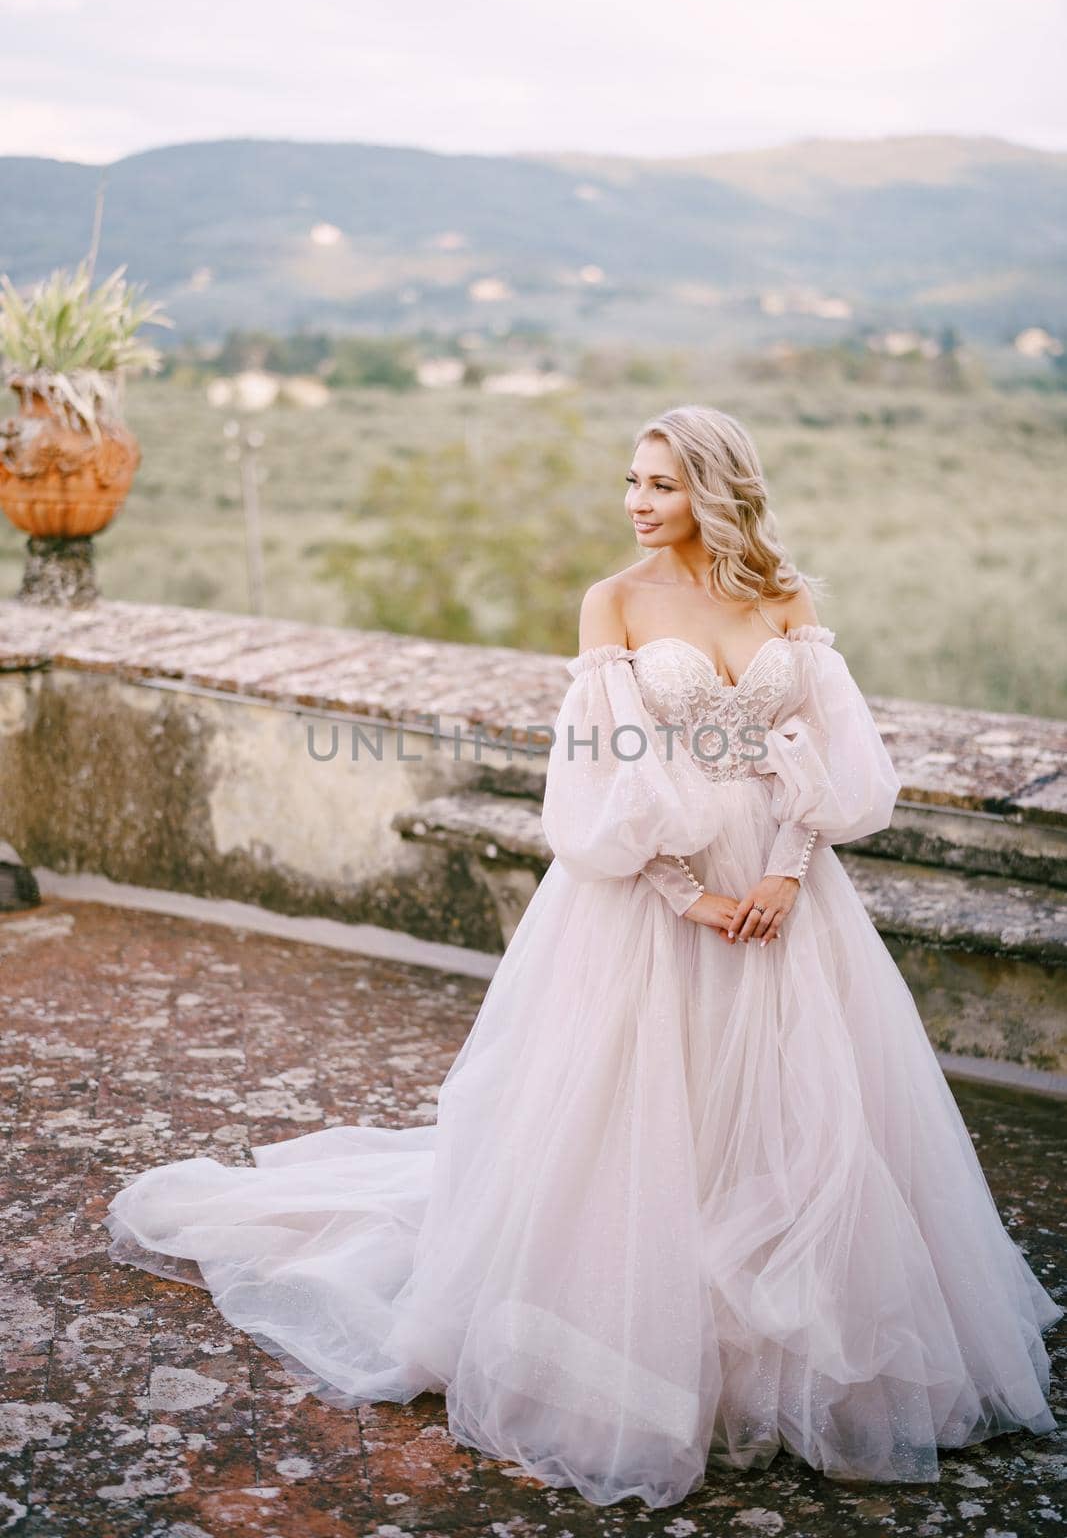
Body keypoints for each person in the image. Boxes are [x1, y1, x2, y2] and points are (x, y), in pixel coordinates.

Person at [104, 404, 1063, 1512]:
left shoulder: (784, 599)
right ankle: (643, 1332)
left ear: (714, 489)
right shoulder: (610, 602)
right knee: (639, 1110)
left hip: (779, 888)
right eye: (630, 481)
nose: (634, 503)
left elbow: (821, 756)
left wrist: (786, 872)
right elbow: (600, 779)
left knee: (801, 1107)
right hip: (651, 896)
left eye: (658, 484)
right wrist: (686, 891)